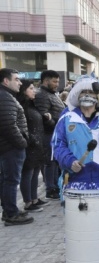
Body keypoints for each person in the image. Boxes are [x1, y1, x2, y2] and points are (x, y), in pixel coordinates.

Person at [52, 75, 99, 263]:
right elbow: (57, 144)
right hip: (78, 180)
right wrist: (70, 161)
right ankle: (77, 262)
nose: (87, 95)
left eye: (91, 92)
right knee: (78, 225)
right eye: (83, 92)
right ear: (77, 95)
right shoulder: (68, 118)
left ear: (98, 96)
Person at [0, 68, 34, 225]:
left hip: (10, 147)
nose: (20, 82)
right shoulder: (5, 97)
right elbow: (8, 125)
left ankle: (10, 210)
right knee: (11, 180)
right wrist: (22, 142)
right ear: (6, 81)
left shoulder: (7, 96)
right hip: (11, 147)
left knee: (8, 180)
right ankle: (11, 214)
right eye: (16, 79)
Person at [17, 79, 50, 213]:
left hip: (38, 143)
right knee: (28, 173)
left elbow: (35, 120)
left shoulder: (32, 105)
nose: (34, 91)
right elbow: (22, 126)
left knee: (35, 172)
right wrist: (29, 140)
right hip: (30, 144)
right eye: (31, 88)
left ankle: (34, 198)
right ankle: (28, 202)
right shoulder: (21, 106)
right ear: (23, 90)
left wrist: (45, 117)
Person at [34, 70, 64, 200]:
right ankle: (50, 189)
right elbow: (44, 115)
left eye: (57, 81)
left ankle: (55, 186)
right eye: (54, 81)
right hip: (49, 133)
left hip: (55, 132)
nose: (57, 84)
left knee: (55, 161)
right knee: (50, 162)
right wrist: (54, 123)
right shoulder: (42, 95)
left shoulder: (51, 94)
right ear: (46, 81)